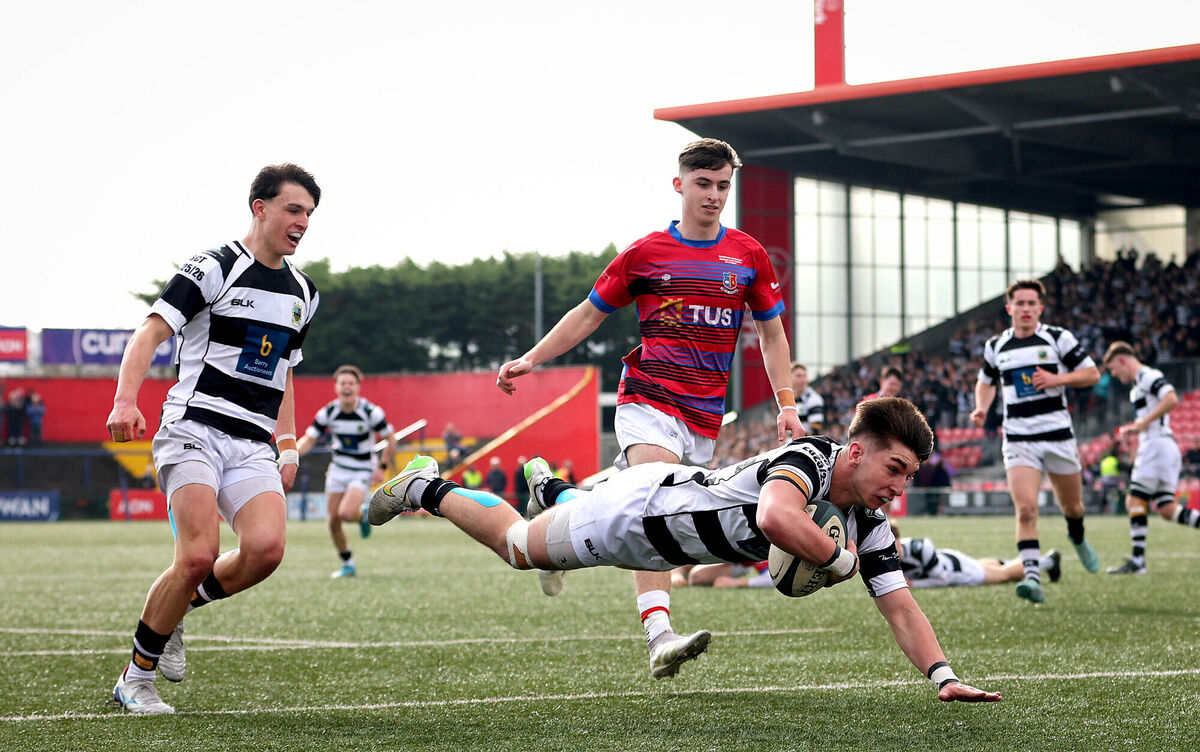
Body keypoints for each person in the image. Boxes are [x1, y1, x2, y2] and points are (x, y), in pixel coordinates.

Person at [370, 398, 999, 702]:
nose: (899, 485)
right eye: (895, 467)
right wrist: (837, 561)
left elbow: (900, 606)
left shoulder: (868, 520)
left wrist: (944, 678)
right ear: (857, 450)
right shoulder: (809, 455)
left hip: (659, 519)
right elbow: (778, 517)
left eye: (909, 475)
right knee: (516, 548)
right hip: (639, 519)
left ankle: (551, 488)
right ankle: (424, 482)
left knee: (562, 516)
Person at [495, 138, 803, 678]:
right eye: (703, 184)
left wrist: (787, 404)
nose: (713, 196)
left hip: (704, 419)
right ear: (679, 184)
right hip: (647, 399)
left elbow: (773, 336)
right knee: (656, 510)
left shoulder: (748, 255)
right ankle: (659, 636)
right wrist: (531, 358)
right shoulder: (645, 254)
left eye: (723, 186)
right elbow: (587, 314)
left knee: (628, 513)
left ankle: (555, 505)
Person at [105, 163, 321, 714]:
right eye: (294, 210)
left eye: (310, 215)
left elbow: (286, 372)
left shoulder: (304, 292)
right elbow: (150, 331)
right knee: (198, 554)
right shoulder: (213, 267)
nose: (303, 223)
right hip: (193, 429)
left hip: (252, 442)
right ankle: (136, 677)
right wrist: (126, 400)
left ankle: (175, 611)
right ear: (260, 207)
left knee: (267, 551)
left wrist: (289, 440)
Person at [970, 279, 1101, 605]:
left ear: (1039, 309)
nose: (1026, 309)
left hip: (1057, 436)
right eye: (1020, 303)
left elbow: (1092, 373)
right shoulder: (996, 346)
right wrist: (981, 408)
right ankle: (1031, 577)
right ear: (1009, 308)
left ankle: (1078, 535)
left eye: (1032, 304)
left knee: (1072, 506)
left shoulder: (1058, 338)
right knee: (1026, 510)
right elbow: (985, 382)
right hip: (1018, 438)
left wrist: (1057, 379)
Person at [1102, 341, 1196, 574]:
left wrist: (1143, 423)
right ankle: (1138, 561)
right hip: (1162, 444)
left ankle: (1137, 562)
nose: (1114, 374)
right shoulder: (1138, 385)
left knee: (1134, 501)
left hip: (1157, 445)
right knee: (1166, 508)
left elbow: (1172, 398)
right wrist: (1136, 428)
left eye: (1114, 368)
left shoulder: (1147, 375)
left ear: (1122, 360)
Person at [297, 364, 396, 578]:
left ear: (358, 387)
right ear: (336, 387)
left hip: (361, 470)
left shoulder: (371, 412)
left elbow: (391, 439)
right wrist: (290, 455)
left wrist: (382, 466)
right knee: (333, 521)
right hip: (338, 469)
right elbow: (309, 440)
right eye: (343, 383)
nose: (347, 387)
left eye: (351, 383)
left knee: (346, 513)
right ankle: (348, 563)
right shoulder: (329, 412)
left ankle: (361, 516)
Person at [893, 523, 1061, 588]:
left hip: (958, 571)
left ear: (899, 541)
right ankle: (1044, 562)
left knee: (1004, 574)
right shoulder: (887, 554)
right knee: (999, 566)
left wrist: (915, 584)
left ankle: (1048, 562)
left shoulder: (920, 548)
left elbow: (942, 579)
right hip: (953, 562)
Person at [791, 363, 825, 433]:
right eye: (798, 376)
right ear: (790, 377)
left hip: (804, 442)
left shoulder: (813, 399)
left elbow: (816, 431)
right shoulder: (789, 398)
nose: (803, 379)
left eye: (804, 376)